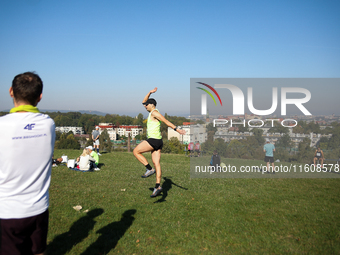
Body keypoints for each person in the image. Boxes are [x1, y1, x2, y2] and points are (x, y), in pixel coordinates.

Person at [0, 72, 56, 255]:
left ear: (10, 92)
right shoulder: (48, 124)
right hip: (39, 208)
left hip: (8, 211)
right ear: (40, 97)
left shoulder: (2, 126)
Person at [133, 87, 186, 198]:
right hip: (158, 141)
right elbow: (143, 101)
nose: (145, 106)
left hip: (153, 140)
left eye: (147, 105)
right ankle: (157, 186)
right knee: (157, 163)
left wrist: (177, 129)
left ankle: (149, 169)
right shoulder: (151, 111)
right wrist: (149, 92)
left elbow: (166, 121)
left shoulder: (155, 112)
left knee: (136, 151)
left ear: (152, 105)